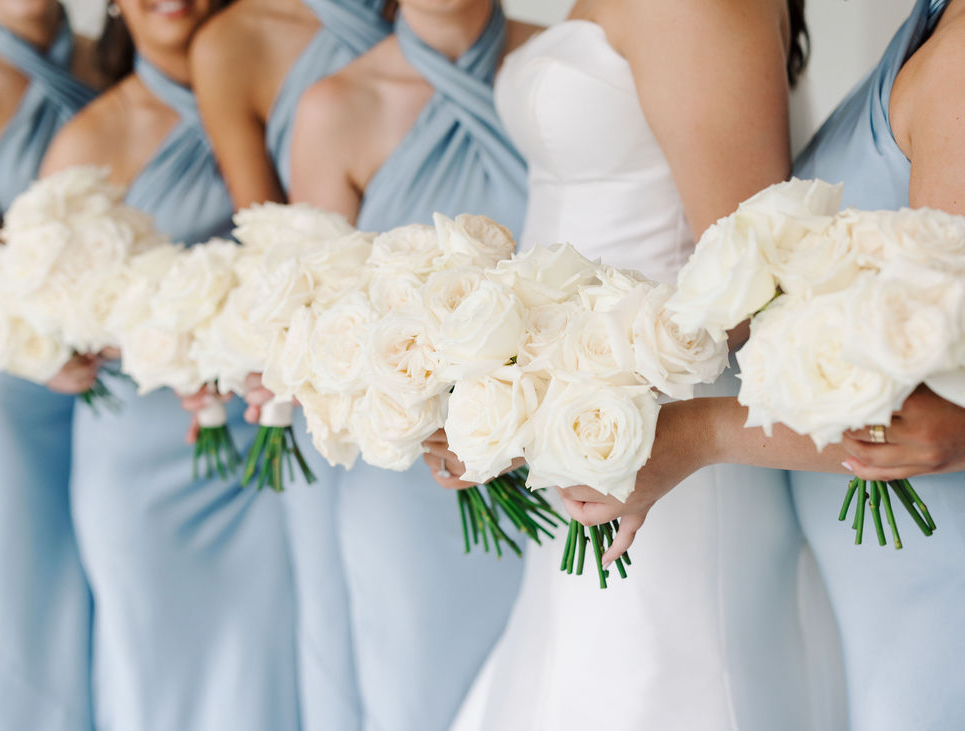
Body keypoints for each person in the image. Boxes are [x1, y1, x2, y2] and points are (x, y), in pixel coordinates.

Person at [560, 1, 965, 728]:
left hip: (932, 554)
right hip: (876, 551)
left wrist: (697, 435)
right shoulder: (934, 30)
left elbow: (930, 412)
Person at [423, 1, 827, 729]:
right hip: (583, 428)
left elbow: (745, 288)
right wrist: (504, 381)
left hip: (657, 439)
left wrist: (584, 386)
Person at [40, 1, 299, 728]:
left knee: (264, 657)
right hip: (140, 456)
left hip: (263, 443)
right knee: (154, 664)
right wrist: (165, 343)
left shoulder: (276, 95)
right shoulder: (89, 141)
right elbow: (57, 313)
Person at [287, 1, 537, 728]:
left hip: (574, 452)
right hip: (414, 483)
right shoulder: (336, 108)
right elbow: (328, 332)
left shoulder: (572, 70)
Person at [190, 3, 390, 727]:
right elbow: (269, 241)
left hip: (485, 347)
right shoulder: (232, 42)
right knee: (348, 629)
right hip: (332, 376)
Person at [0, 2, 99, 727]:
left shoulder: (106, 60)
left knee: (118, 599)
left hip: (119, 368)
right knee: (21, 596)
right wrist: (45, 353)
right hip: (10, 377)